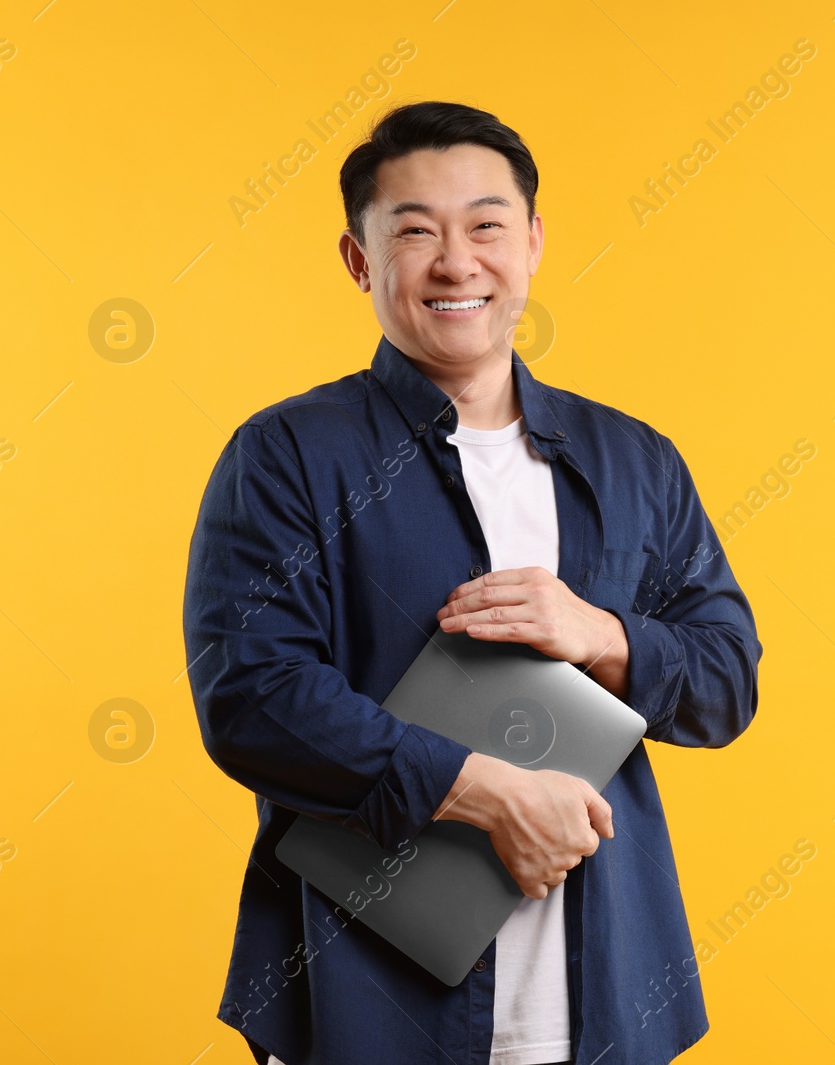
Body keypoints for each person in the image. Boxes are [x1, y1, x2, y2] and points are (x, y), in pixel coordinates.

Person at [181, 100, 763, 1065]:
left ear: (531, 243)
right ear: (359, 259)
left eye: (487, 225)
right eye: (415, 231)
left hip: (605, 994)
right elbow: (252, 695)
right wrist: (480, 791)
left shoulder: (635, 460)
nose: (457, 262)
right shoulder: (286, 455)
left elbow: (728, 677)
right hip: (360, 992)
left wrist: (604, 635)